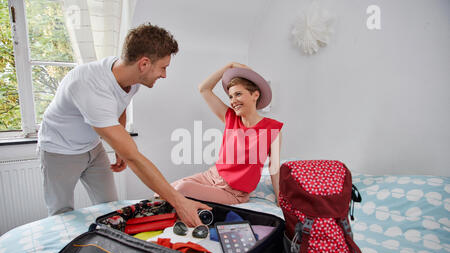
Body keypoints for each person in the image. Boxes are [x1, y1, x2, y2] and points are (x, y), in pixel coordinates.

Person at [37, 23, 210, 227]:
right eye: (163, 67)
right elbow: (133, 157)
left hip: (92, 147)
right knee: (61, 214)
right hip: (59, 149)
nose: (164, 75)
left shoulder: (129, 77)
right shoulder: (90, 86)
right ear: (144, 64)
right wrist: (179, 202)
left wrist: (119, 143)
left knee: (111, 208)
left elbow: (120, 105)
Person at [168, 62, 283, 206]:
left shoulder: (272, 129)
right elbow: (204, 89)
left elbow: (274, 168)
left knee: (181, 189)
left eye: (238, 94)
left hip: (233, 192)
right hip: (210, 177)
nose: (233, 101)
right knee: (163, 191)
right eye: (231, 96)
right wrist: (228, 67)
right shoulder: (230, 117)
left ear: (255, 95)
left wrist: (279, 199)